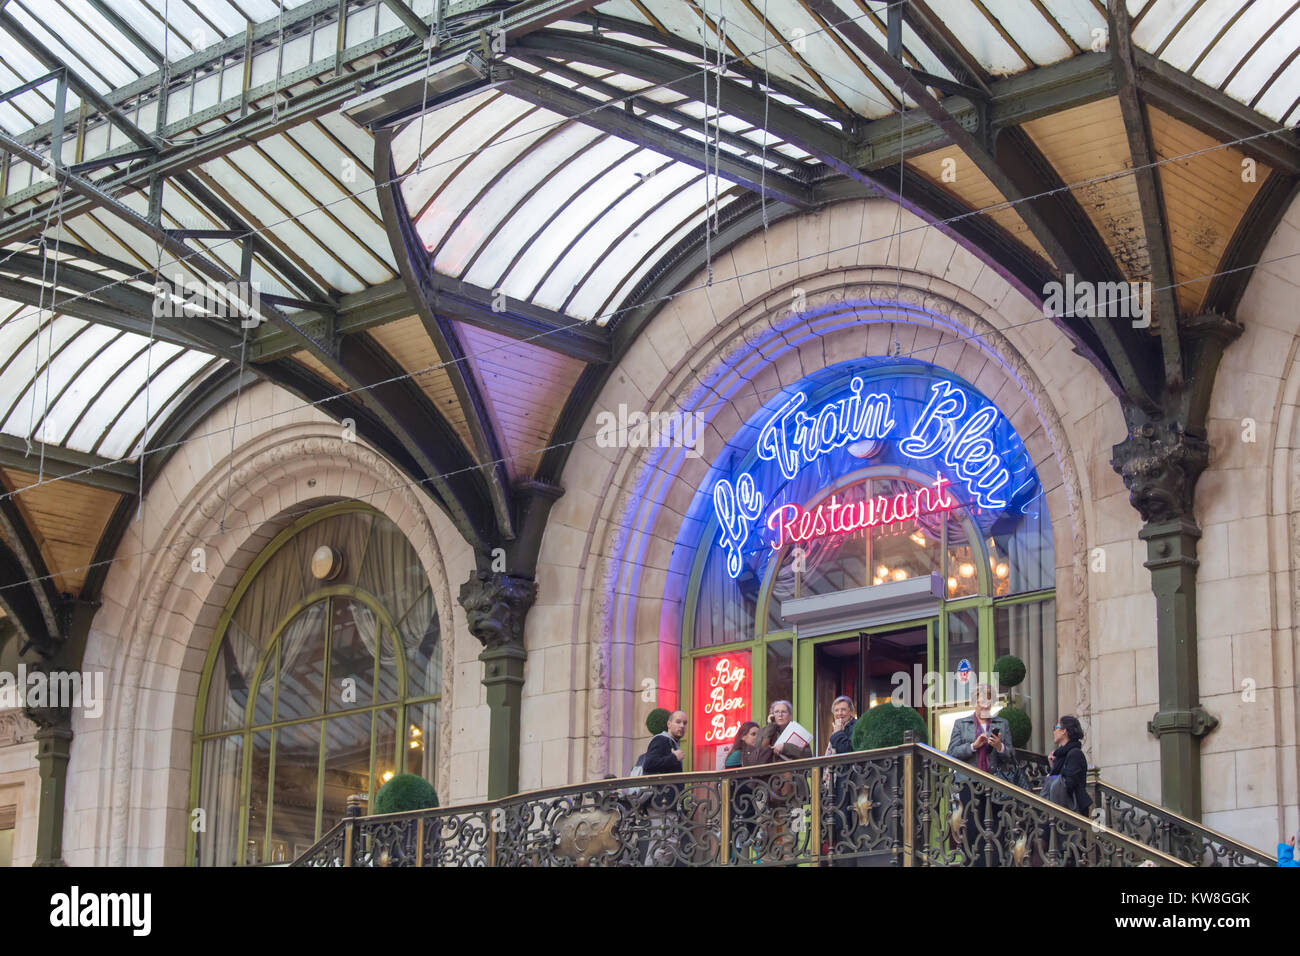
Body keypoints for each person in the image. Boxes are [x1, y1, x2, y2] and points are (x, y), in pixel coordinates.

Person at [946, 684, 1015, 866]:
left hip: (995, 781)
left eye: (988, 702)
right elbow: (951, 752)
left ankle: (995, 862)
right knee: (971, 826)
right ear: (974, 702)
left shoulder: (1002, 724)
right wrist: (973, 746)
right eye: (981, 702)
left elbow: (1010, 756)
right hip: (969, 782)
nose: (984, 706)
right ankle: (972, 862)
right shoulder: (961, 724)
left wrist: (999, 746)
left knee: (995, 823)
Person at [641, 710, 687, 864]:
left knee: (664, 843)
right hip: (661, 802)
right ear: (669, 724)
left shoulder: (670, 742)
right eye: (678, 722)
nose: (682, 726)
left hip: (667, 802)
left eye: (684, 723)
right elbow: (650, 764)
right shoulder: (661, 740)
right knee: (664, 843)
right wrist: (674, 757)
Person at [824, 696, 861, 865]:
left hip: (850, 784)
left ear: (851, 712)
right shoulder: (837, 729)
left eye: (843, 710)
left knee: (847, 824)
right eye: (836, 711)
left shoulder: (856, 727)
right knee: (837, 825)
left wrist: (837, 733)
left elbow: (847, 751)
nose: (840, 714)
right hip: (836, 785)